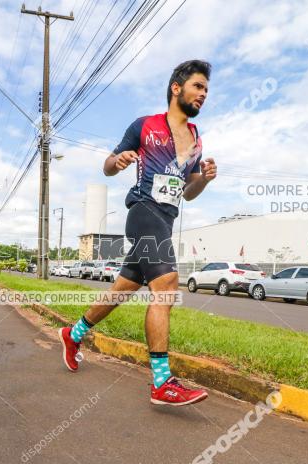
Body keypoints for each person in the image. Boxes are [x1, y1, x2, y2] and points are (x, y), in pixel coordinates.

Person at [58, 60, 218, 406]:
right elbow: (108, 165)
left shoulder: (195, 139)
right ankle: (162, 383)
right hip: (143, 212)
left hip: (166, 218)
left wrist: (203, 177)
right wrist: (116, 162)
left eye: (206, 89)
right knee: (166, 287)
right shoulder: (144, 126)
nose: (203, 94)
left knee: (121, 291)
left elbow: (189, 191)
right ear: (177, 88)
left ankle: (74, 333)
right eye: (198, 86)